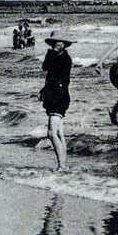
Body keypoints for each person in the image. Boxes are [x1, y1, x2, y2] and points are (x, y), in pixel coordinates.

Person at [40, 32, 73, 170]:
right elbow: (45, 67)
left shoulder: (65, 58)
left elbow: (55, 75)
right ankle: (63, 165)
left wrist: (45, 90)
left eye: (57, 42)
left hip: (58, 95)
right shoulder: (59, 56)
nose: (54, 45)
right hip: (57, 94)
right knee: (59, 133)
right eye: (53, 42)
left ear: (63, 44)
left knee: (51, 133)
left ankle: (61, 165)